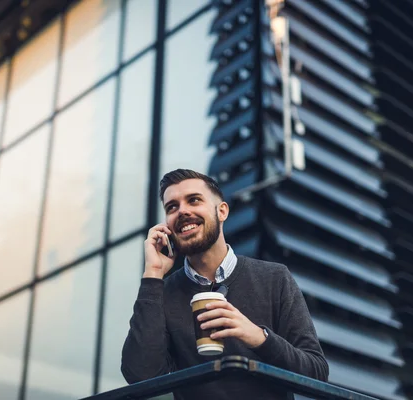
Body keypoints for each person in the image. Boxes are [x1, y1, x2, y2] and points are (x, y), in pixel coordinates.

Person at [121, 169, 328, 399]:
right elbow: (140, 375)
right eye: (172, 207)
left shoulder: (275, 278)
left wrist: (259, 338)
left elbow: (316, 372)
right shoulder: (164, 293)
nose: (183, 211)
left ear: (222, 211)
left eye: (194, 200)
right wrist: (153, 273)